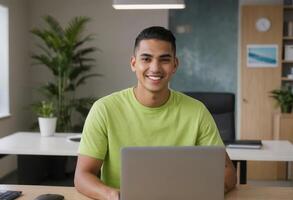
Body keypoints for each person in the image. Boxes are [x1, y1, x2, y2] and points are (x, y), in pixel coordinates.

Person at [74, 26, 237, 200]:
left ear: (175, 65)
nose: (155, 67)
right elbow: (83, 175)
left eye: (164, 60)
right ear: (133, 63)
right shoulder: (104, 109)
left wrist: (199, 193)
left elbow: (228, 172)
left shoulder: (197, 111)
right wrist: (116, 196)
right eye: (146, 59)